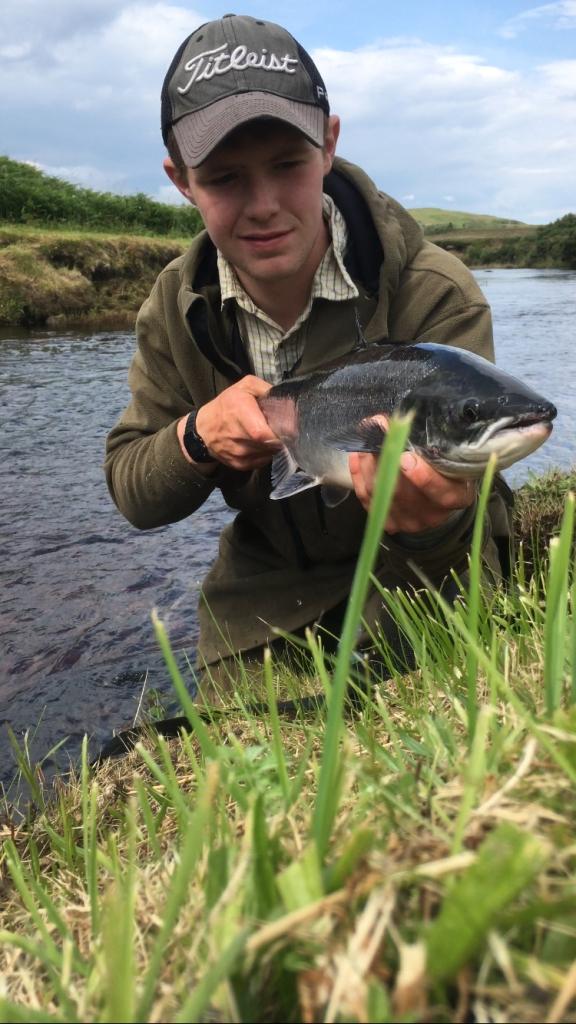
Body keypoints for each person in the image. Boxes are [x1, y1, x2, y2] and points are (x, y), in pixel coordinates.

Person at [105, 13, 513, 697]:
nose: (263, 206)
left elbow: (475, 475)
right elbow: (132, 491)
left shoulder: (435, 291)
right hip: (267, 583)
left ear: (328, 145)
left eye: (288, 165)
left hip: (436, 563)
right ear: (182, 181)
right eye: (226, 178)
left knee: (435, 697)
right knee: (237, 751)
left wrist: (430, 523)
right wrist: (198, 436)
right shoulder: (174, 310)